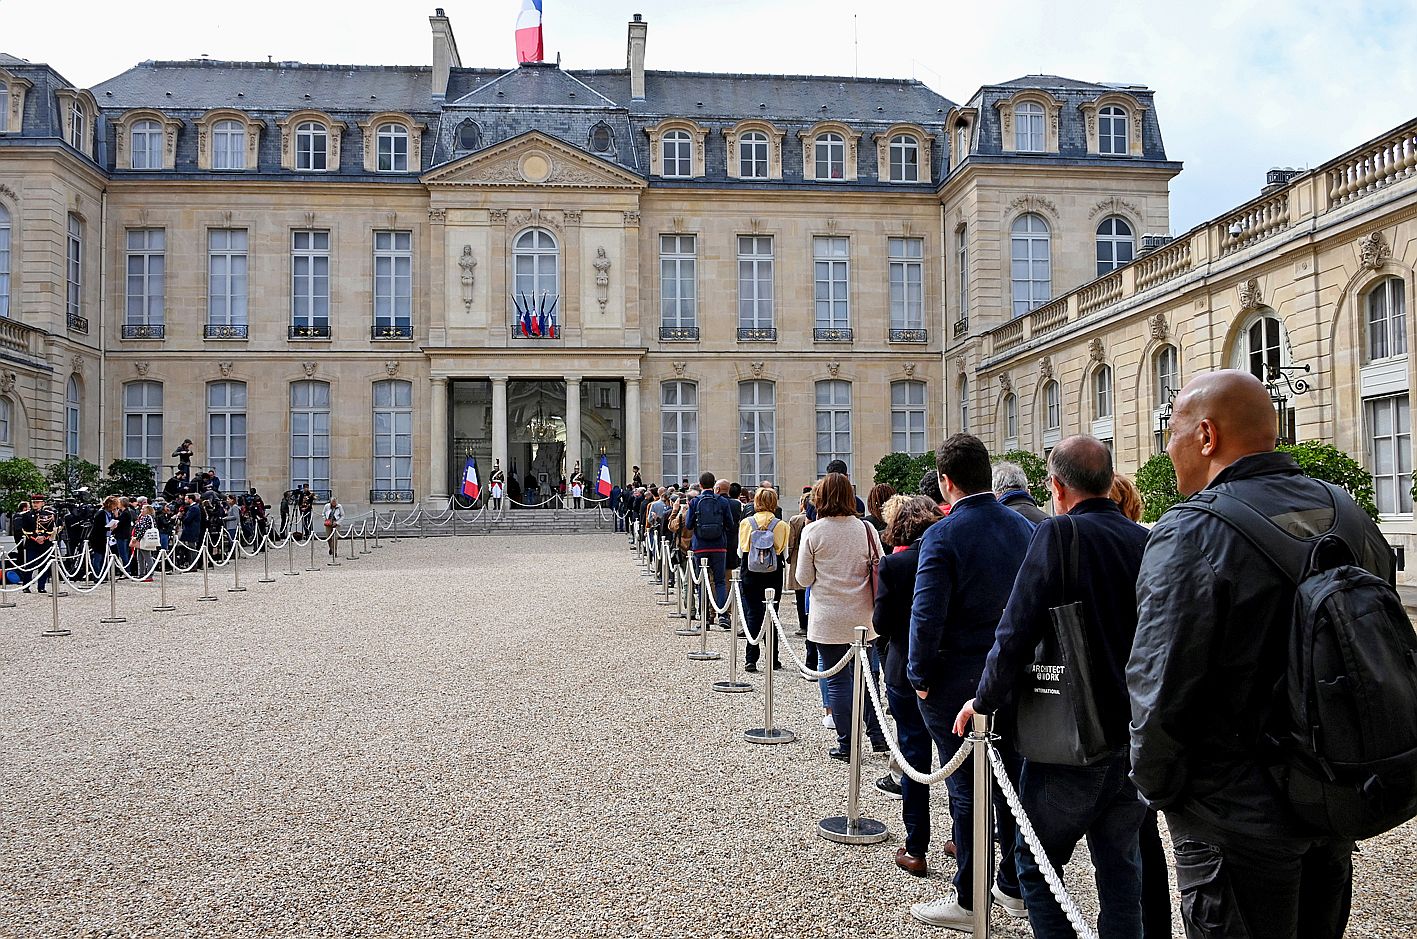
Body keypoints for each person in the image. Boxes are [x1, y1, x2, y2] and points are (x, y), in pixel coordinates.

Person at [1129, 370, 1394, 939]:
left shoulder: (1189, 532)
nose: (1165, 447)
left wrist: (1161, 789)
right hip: (1333, 793)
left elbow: (1159, 685)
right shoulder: (1347, 511)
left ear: (1206, 436)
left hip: (1234, 817)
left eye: (1168, 431)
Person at [955, 436, 1149, 938]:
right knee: (1121, 869)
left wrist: (984, 701)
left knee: (1035, 864)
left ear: (1057, 488)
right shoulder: (1143, 539)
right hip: (1133, 732)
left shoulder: (1059, 535)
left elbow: (1015, 629)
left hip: (1072, 735)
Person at [907, 434, 1033, 930]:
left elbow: (926, 614)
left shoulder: (943, 535)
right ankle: (1013, 884)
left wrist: (919, 678)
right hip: (1011, 676)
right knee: (1010, 786)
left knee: (965, 791)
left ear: (946, 481)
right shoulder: (1022, 526)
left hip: (957, 681)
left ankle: (968, 898)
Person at [873, 494, 947, 876]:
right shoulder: (953, 555)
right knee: (957, 761)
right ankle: (961, 838)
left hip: (904, 667)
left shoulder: (896, 564)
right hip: (950, 669)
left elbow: (882, 622)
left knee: (914, 756)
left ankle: (916, 846)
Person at [795, 472, 887, 761]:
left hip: (829, 617)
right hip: (864, 614)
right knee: (868, 679)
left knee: (837, 681)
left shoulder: (814, 531)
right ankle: (878, 736)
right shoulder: (867, 529)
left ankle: (848, 743)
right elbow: (882, 566)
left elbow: (803, 577)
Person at [737, 485, 788, 673]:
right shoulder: (781, 525)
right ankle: (773, 658)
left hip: (750, 570)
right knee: (772, 614)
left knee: (752, 613)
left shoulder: (746, 523)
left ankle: (751, 658)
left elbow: (741, 549)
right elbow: (782, 549)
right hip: (773, 572)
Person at [685, 472, 735, 629]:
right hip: (719, 545)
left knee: (702, 582)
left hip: (700, 546)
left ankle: (705, 618)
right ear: (714, 485)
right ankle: (723, 615)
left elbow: (688, 525)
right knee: (720, 581)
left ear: (700, 485)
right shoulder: (722, 501)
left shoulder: (695, 502)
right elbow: (730, 523)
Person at [131, 503, 158, 581]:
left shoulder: (147, 518)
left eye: (143, 509)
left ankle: (149, 575)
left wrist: (136, 538)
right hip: (141, 540)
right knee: (140, 558)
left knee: (147, 557)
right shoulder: (144, 517)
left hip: (143, 539)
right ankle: (141, 574)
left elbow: (143, 529)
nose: (141, 510)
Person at [179, 493, 204, 568]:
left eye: (186, 499)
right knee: (190, 547)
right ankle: (191, 564)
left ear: (190, 499)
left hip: (192, 530)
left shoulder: (194, 508)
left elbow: (187, 519)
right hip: (191, 530)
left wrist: (181, 517)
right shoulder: (194, 507)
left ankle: (193, 565)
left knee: (192, 548)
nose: (185, 500)